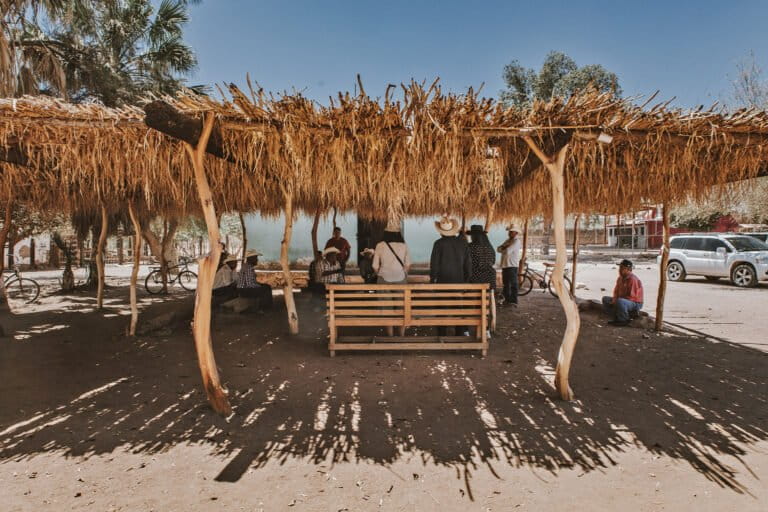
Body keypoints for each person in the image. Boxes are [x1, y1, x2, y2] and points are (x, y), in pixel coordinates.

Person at [430, 216, 472, 336]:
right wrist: (466, 280)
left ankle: (442, 333)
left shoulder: (438, 244)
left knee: (441, 308)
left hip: (442, 283)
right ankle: (459, 332)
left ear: (441, 231)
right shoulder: (462, 243)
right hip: (458, 282)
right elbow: (468, 264)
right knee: (458, 308)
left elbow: (434, 265)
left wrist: (433, 281)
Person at [373, 230, 411, 336]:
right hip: (400, 278)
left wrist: (380, 274)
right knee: (402, 306)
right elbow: (407, 265)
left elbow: (375, 266)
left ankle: (390, 335)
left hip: (384, 279)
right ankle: (401, 335)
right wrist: (403, 274)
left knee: (386, 307)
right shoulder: (404, 246)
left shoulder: (380, 245)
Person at [602, 259, 644, 326]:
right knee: (605, 299)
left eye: (622, 268)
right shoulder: (620, 278)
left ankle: (624, 320)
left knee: (620, 301)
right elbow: (616, 291)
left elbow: (632, 297)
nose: (619, 270)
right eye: (620, 267)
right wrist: (614, 300)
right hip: (623, 300)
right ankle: (617, 317)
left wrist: (617, 301)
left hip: (635, 302)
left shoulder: (633, 279)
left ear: (628, 269)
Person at [497, 225, 522, 306]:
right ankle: (507, 300)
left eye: (511, 232)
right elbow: (498, 249)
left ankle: (514, 301)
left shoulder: (516, 241)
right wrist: (504, 247)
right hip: (505, 265)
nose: (509, 233)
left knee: (513, 284)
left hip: (512, 266)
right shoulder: (508, 241)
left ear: (516, 233)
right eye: (509, 231)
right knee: (506, 284)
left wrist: (503, 247)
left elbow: (507, 251)